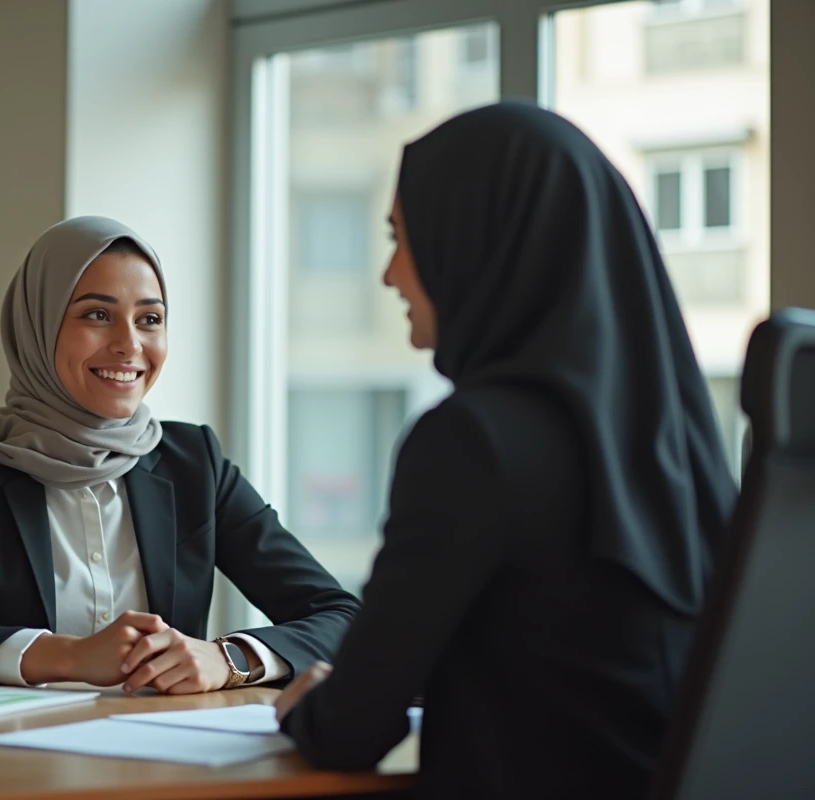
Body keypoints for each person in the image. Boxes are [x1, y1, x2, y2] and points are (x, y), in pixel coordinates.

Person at [274, 102, 737, 799]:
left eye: (404, 238)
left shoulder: (473, 443)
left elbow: (350, 729)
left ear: (475, 240)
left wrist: (306, 704)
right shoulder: (678, 444)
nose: (391, 274)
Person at [0, 216, 359, 695]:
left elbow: (341, 616)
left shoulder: (194, 462)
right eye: (97, 315)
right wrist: (66, 657)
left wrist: (228, 660)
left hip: (162, 754)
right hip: (12, 759)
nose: (129, 345)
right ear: (39, 325)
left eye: (150, 319)